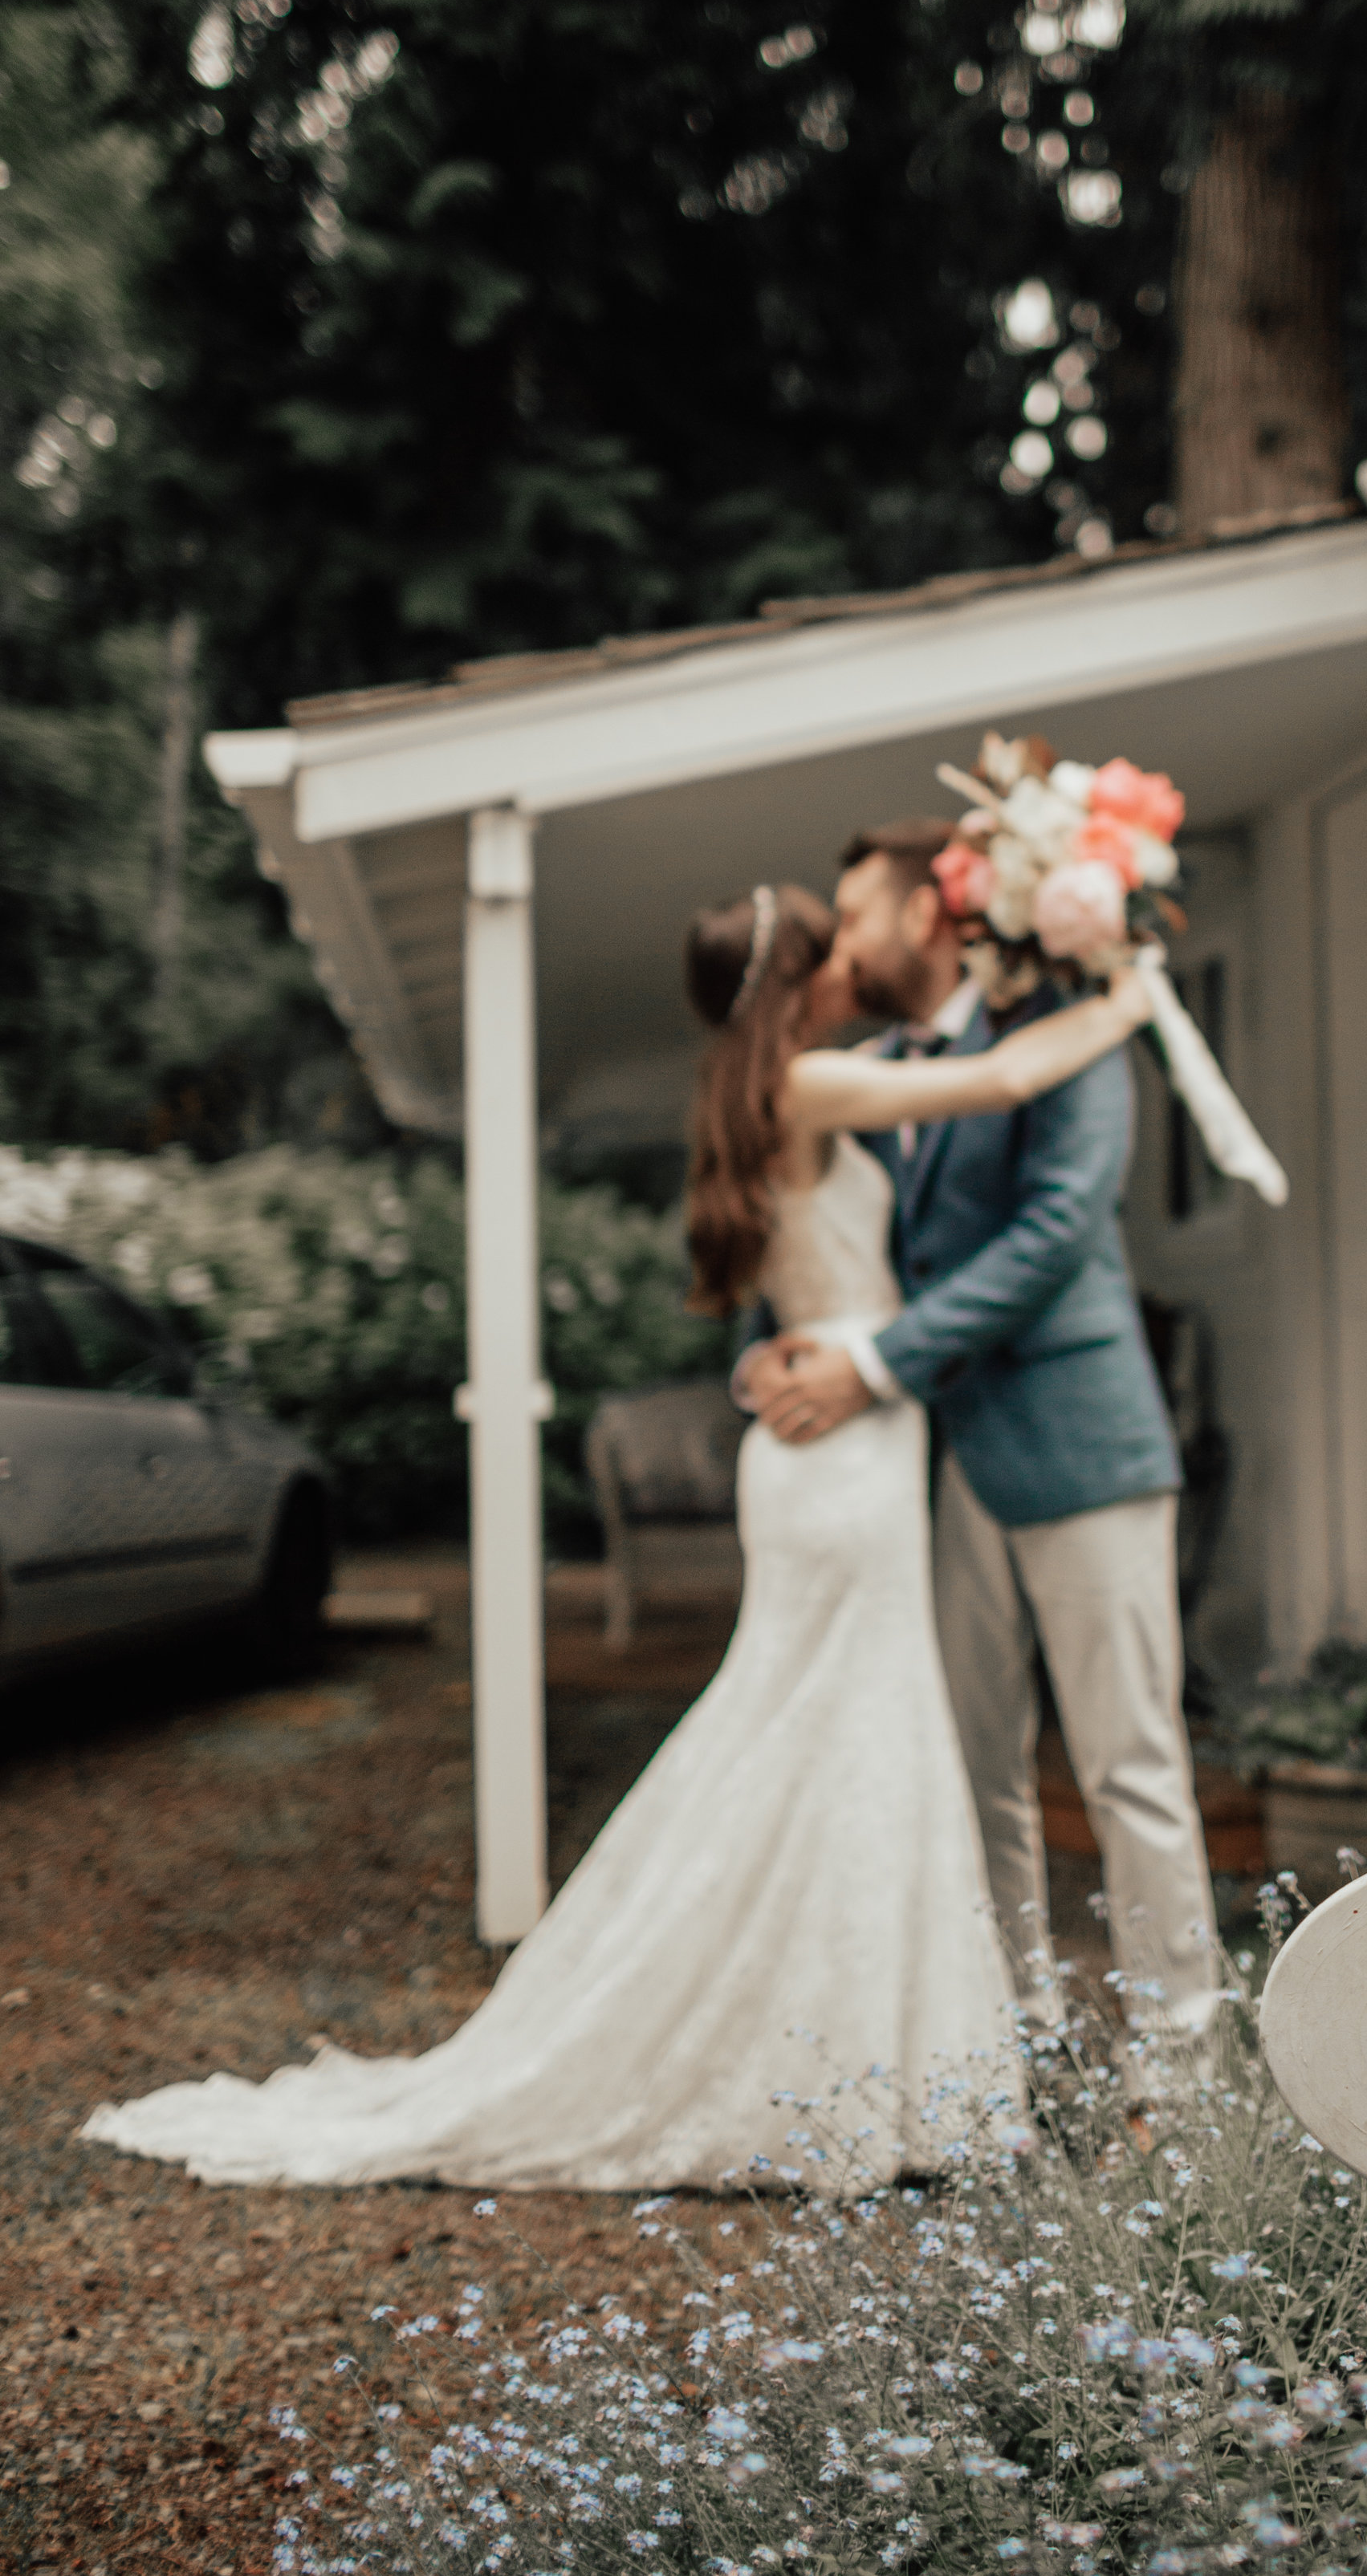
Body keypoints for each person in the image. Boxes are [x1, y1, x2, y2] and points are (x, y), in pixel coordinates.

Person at [82, 884, 1151, 2196]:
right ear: (804, 980)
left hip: (819, 1446)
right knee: (846, 1731)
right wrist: (1127, 1001)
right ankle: (869, 2068)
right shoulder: (811, 1083)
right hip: (848, 1451)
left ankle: (878, 2059)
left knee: (822, 1733)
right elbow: (997, 1076)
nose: (859, 963)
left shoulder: (752, 1087)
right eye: (836, 950)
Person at [739, 821, 1220, 2055]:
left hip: (1081, 1446)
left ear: (929, 915)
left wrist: (874, 1362)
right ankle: (1015, 2043)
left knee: (1129, 1765)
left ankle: (1181, 2073)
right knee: (974, 1770)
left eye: (855, 917)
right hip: (938, 1468)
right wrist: (771, 1340)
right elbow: (826, 1241)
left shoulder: (1063, 1039)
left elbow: (1055, 1233)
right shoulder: (873, 1068)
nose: (841, 946)